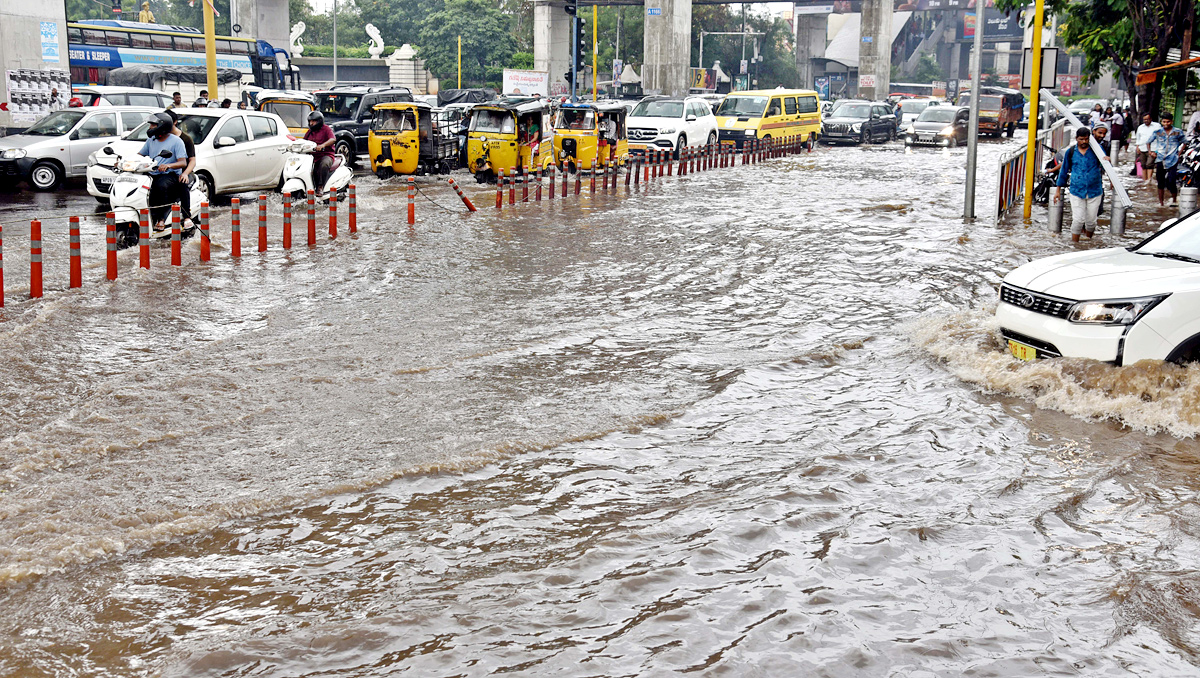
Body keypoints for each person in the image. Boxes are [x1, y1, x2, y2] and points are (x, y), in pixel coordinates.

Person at [137, 113, 188, 231]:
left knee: (160, 187)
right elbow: (140, 154)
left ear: (162, 126)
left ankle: (161, 218)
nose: (150, 128)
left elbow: (183, 162)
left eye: (153, 125)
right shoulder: (151, 140)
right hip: (152, 173)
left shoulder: (177, 141)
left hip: (169, 175)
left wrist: (168, 165)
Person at [1056, 126, 1105, 242]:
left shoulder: (1097, 150)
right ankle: (1075, 244)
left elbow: (1106, 166)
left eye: (1086, 139)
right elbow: (1064, 170)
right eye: (1081, 139)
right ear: (1076, 138)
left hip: (1095, 191)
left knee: (1091, 221)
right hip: (1076, 191)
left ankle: (1088, 241)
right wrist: (1058, 190)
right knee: (1078, 220)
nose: (1083, 142)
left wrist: (1107, 161)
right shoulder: (1071, 152)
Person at [163, 109, 196, 229]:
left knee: (182, 183)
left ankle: (187, 215)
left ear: (175, 122)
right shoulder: (160, 137)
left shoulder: (185, 139)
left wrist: (186, 173)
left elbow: (192, 160)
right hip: (165, 171)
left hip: (183, 171)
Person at [1150, 112, 1187, 205]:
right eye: (1164, 122)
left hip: (1173, 160)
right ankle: (1161, 203)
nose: (1166, 124)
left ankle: (1174, 200)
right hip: (1160, 159)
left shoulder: (1178, 132)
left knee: (1171, 181)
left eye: (1168, 122)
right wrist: (1151, 152)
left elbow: (1185, 142)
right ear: (1161, 122)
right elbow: (1148, 141)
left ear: (1171, 121)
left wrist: (1179, 154)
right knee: (1160, 182)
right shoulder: (1158, 132)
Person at [304, 110, 336, 196]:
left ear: (319, 121)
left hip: (326, 155)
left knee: (324, 164)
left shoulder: (326, 129)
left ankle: (320, 186)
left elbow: (333, 139)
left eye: (313, 121)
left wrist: (322, 145)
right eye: (310, 121)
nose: (311, 123)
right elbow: (304, 141)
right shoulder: (309, 132)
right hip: (312, 156)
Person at [1132, 113, 1162, 177]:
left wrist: (1157, 150)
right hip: (1142, 148)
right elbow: (1138, 138)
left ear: (1151, 119)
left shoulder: (1157, 126)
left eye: (1147, 119)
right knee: (1143, 165)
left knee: (1149, 164)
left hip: (1153, 149)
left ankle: (1149, 180)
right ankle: (1145, 180)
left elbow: (1160, 138)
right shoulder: (1140, 127)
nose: (1146, 121)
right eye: (1144, 120)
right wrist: (1137, 147)